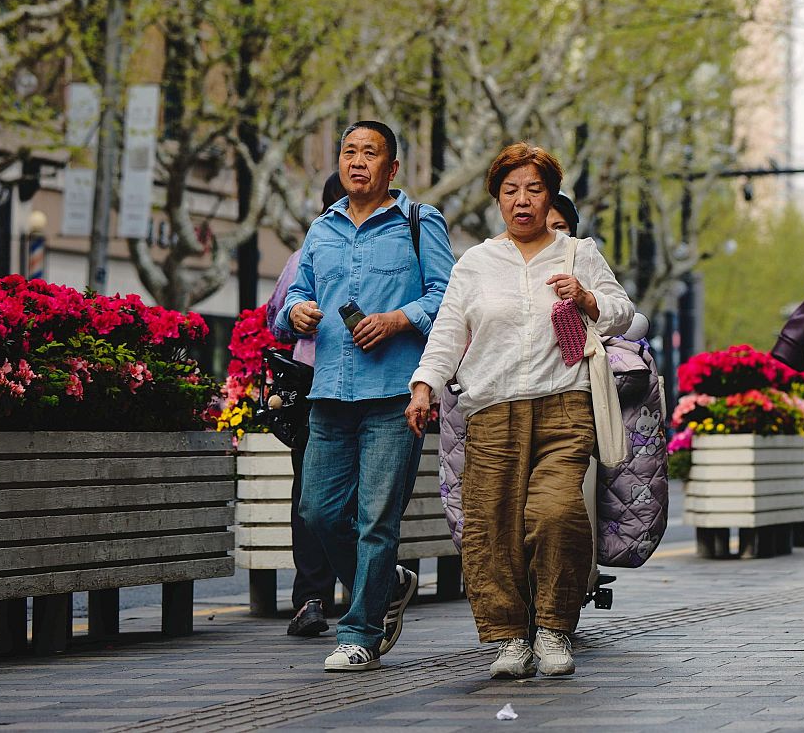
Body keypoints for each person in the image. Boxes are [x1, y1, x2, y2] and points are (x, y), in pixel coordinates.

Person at [407, 143, 633, 679]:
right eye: (511, 190)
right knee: (493, 526)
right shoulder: (477, 263)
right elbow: (446, 333)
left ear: (550, 195)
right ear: (497, 198)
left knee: (555, 512)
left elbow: (622, 313)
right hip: (492, 410)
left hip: (565, 406)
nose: (522, 200)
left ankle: (555, 628)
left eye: (534, 189)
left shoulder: (578, 253)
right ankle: (508, 637)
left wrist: (586, 298)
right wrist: (424, 387)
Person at [277, 120, 455, 672]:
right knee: (318, 511)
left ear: (392, 167)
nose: (357, 161)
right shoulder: (321, 230)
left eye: (369, 152)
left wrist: (399, 320)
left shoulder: (421, 224)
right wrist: (297, 312)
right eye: (348, 151)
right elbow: (290, 303)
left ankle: (359, 633)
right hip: (328, 393)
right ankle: (386, 583)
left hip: (392, 397)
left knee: (377, 518)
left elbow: (449, 299)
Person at [267, 172, 349, 638]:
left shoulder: (304, 257)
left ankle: (312, 597)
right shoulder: (312, 255)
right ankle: (355, 593)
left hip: (317, 388)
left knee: (312, 492)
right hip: (344, 390)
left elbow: (275, 319)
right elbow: (282, 317)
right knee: (335, 496)